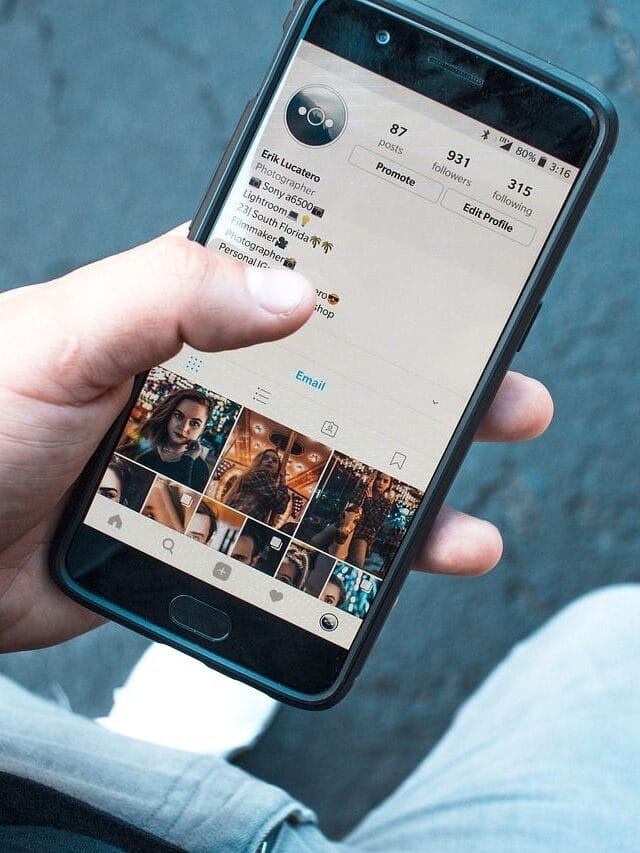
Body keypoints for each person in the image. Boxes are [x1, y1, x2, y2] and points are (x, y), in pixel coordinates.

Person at [2, 229, 635, 851]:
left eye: (199, 423)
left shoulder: (208, 471)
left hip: (43, 778)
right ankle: (153, 749)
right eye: (187, 420)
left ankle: (147, 746)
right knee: (621, 635)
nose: (192, 430)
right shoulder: (190, 467)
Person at [121, 389, 213, 492]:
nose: (184, 427)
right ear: (169, 416)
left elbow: (182, 500)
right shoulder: (141, 448)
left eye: (194, 423)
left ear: (203, 430)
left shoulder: (200, 470)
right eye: (178, 416)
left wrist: (187, 461)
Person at [223, 448, 290, 523]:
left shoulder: (250, 476)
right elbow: (279, 505)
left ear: (277, 469)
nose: (270, 461)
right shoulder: (262, 475)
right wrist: (283, 484)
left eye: (274, 461)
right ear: (259, 461)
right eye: (265, 458)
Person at [347, 471, 394, 569]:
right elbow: (352, 506)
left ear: (389, 485)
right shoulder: (363, 491)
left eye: (385, 481)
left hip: (363, 534)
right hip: (347, 524)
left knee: (357, 563)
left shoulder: (386, 504)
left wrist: (368, 500)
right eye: (378, 479)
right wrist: (367, 487)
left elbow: (376, 522)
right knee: (318, 540)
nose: (381, 483)